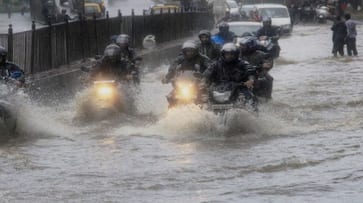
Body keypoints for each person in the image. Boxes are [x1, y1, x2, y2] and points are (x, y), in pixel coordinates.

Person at [203, 43, 257, 107]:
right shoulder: (216, 64)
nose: (229, 56)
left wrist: (251, 79)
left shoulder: (242, 63)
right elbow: (208, 72)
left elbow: (250, 70)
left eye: (232, 54)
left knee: (249, 98)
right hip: (218, 87)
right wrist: (203, 80)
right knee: (202, 98)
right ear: (223, 54)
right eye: (227, 54)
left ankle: (253, 113)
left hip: (238, 86)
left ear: (236, 54)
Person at [162, 40, 211, 106]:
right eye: (187, 51)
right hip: (184, 82)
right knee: (171, 96)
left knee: (205, 97)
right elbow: (172, 69)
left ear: (196, 51)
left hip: (199, 83)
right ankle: (172, 111)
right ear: (184, 51)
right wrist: (167, 78)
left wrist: (205, 76)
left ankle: (206, 112)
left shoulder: (202, 58)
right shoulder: (180, 59)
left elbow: (211, 68)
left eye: (191, 51)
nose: (189, 53)